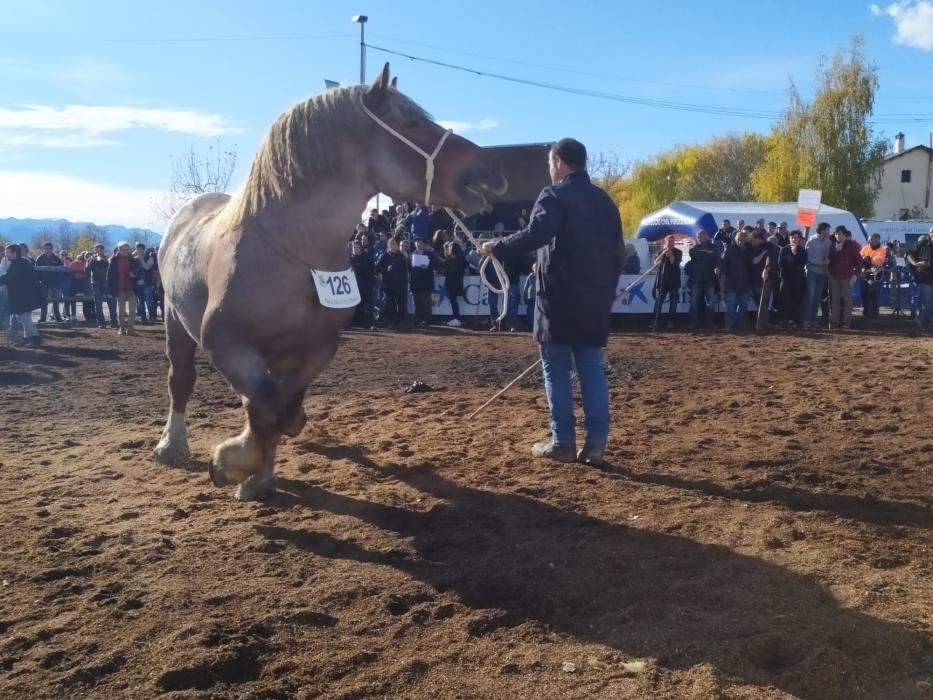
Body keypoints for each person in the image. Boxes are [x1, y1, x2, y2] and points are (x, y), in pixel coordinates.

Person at [481, 137, 622, 466]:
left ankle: (563, 442)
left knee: (555, 368)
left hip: (558, 300)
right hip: (594, 301)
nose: (549, 168)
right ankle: (596, 445)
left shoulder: (553, 194)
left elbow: (538, 232)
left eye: (550, 163)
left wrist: (497, 247)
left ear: (559, 162)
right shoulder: (605, 201)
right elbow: (616, 252)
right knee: (591, 370)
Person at [0, 243, 44, 347]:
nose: (6, 255)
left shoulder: (18, 264)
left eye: (8, 253)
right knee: (23, 317)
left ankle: (35, 337)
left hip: (24, 296)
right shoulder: (20, 262)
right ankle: (27, 337)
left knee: (23, 317)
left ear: (15, 253)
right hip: (25, 295)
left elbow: (8, 278)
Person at [828, 226, 862, 329]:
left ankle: (846, 322)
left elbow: (859, 262)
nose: (838, 236)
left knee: (847, 300)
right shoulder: (833, 246)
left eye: (840, 234)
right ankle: (834, 321)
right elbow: (829, 261)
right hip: (834, 276)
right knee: (835, 300)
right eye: (836, 234)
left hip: (847, 276)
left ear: (845, 235)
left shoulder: (852, 245)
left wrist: (855, 275)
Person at [107, 241, 143, 335]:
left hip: (131, 288)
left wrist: (134, 275)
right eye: (123, 250)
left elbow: (140, 274)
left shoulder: (133, 260)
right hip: (119, 288)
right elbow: (109, 276)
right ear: (119, 250)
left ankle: (130, 327)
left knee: (132, 309)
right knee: (121, 310)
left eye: (127, 249)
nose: (125, 251)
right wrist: (110, 291)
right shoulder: (113, 260)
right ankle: (122, 328)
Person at [722, 228, 753, 331]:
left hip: (745, 283)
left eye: (742, 239)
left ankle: (741, 324)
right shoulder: (730, 250)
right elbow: (723, 263)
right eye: (738, 239)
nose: (740, 241)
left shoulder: (750, 251)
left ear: (746, 240)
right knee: (731, 306)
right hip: (732, 283)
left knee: (743, 306)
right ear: (735, 240)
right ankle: (730, 325)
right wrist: (719, 269)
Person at [687, 229, 718, 329]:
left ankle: (711, 323)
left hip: (710, 279)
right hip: (697, 279)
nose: (699, 238)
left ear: (706, 236)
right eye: (698, 237)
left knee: (711, 302)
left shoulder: (713, 247)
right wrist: (706, 253)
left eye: (701, 236)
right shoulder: (694, 249)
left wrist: (706, 254)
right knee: (694, 302)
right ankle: (693, 323)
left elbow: (716, 257)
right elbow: (693, 254)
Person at [804, 223, 833, 328]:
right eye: (828, 230)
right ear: (822, 230)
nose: (829, 232)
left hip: (823, 274)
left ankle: (813, 319)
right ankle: (806, 319)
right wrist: (822, 262)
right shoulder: (811, 241)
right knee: (810, 297)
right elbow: (809, 259)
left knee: (817, 298)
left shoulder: (828, 242)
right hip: (812, 272)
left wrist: (829, 260)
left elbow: (831, 256)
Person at [749, 229, 780, 329]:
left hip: (767, 278)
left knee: (764, 299)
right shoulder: (753, 248)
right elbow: (754, 261)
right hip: (754, 278)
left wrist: (766, 270)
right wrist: (762, 254)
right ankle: (762, 320)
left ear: (758, 238)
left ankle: (764, 322)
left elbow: (772, 261)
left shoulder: (770, 246)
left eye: (753, 239)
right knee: (759, 299)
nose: (751, 241)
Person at [375, 237, 408, 328]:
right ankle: (391, 321)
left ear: (397, 246)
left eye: (394, 244)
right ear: (388, 245)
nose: (392, 246)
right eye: (391, 244)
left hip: (401, 284)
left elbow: (409, 268)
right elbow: (377, 269)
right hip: (388, 285)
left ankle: (402, 322)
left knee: (401, 304)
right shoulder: (384, 256)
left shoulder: (402, 256)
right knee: (390, 304)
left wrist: (407, 259)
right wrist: (386, 269)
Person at [651, 235, 682, 330]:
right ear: (665, 243)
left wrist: (670, 253)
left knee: (673, 304)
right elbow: (656, 264)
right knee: (658, 302)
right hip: (662, 281)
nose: (670, 244)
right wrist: (663, 253)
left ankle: (671, 321)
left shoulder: (678, 252)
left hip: (674, 281)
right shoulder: (661, 252)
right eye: (669, 243)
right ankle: (655, 321)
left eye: (672, 243)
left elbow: (673, 262)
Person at [779, 230, 808, 328]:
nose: (794, 240)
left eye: (796, 238)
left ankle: (797, 320)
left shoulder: (802, 251)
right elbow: (781, 264)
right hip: (786, 279)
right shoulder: (784, 250)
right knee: (786, 300)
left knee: (798, 301)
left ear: (799, 239)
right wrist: (791, 255)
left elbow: (802, 263)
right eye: (792, 238)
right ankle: (786, 320)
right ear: (789, 238)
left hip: (798, 279)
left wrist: (795, 254)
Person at [907, 226, 933, 331]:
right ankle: (920, 322)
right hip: (925, 279)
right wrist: (916, 263)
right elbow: (909, 254)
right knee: (927, 304)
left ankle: (925, 323)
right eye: (932, 232)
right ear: (929, 233)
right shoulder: (922, 243)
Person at [409, 238, 439, 326]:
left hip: (426, 281)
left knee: (426, 302)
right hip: (415, 282)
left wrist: (427, 267)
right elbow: (408, 267)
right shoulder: (412, 255)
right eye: (417, 243)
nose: (418, 244)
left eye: (420, 243)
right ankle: (417, 319)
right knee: (417, 302)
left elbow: (435, 265)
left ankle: (427, 320)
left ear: (424, 245)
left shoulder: (430, 254)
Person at [87, 244, 117, 328]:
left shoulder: (107, 258)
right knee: (98, 304)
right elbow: (86, 269)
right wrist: (92, 261)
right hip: (96, 283)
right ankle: (101, 322)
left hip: (107, 283)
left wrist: (104, 260)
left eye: (98, 249)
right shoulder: (91, 259)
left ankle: (114, 321)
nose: (97, 251)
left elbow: (110, 268)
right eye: (95, 249)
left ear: (102, 250)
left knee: (111, 303)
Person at [35, 242, 64, 323]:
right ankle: (43, 317)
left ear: (52, 249)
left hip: (55, 283)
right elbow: (36, 270)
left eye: (48, 248)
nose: (47, 250)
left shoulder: (56, 258)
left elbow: (61, 268)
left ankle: (57, 317)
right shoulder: (40, 258)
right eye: (45, 248)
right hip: (44, 283)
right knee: (43, 301)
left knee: (56, 300)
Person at [860, 233, 886, 321]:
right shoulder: (865, 248)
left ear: (877, 240)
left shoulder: (882, 250)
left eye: (872, 239)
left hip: (876, 274)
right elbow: (860, 258)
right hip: (865, 273)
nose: (869, 241)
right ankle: (866, 314)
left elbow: (878, 262)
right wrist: (868, 260)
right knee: (865, 294)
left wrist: (867, 258)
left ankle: (875, 315)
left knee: (874, 295)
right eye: (869, 239)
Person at [442, 240, 468, 328]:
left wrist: (444, 271)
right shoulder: (461, 258)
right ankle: (456, 318)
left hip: (452, 283)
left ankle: (456, 319)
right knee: (454, 302)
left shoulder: (453, 259)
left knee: (453, 302)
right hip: (458, 282)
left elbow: (451, 271)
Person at [350, 240, 375, 328]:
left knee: (368, 305)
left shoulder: (366, 258)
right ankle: (355, 322)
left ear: (361, 249)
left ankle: (370, 323)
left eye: (357, 248)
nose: (356, 249)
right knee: (354, 306)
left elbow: (371, 271)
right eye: (354, 248)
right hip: (352, 287)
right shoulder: (349, 259)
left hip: (365, 285)